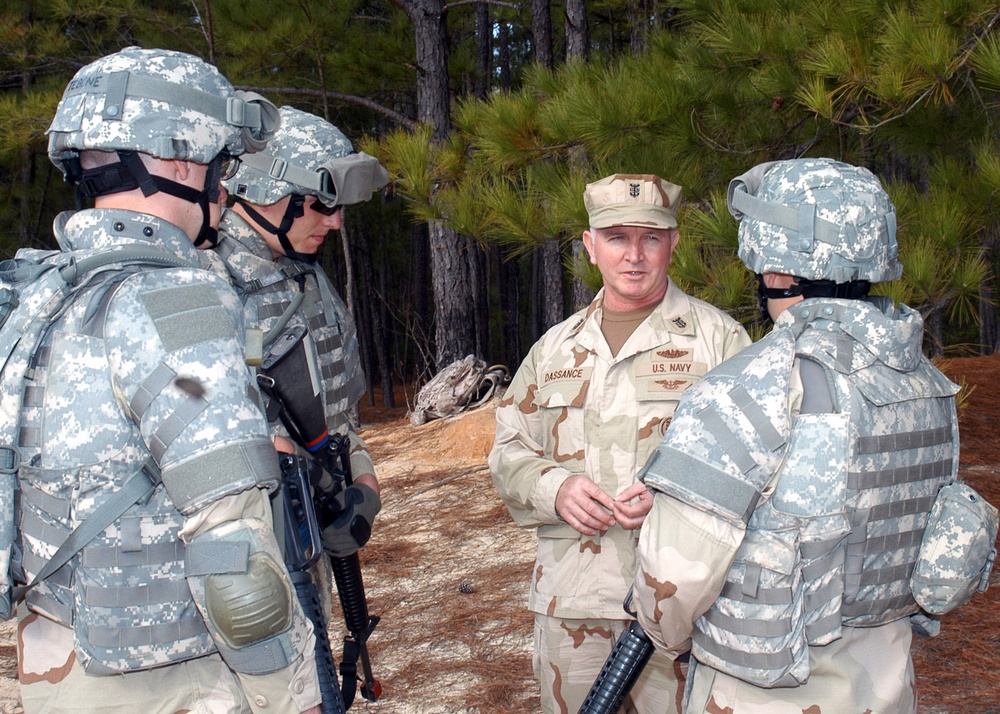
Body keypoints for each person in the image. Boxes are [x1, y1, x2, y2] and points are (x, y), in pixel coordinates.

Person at [14, 47, 325, 713]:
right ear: (183, 163)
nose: (223, 186)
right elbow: (232, 556)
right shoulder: (175, 304)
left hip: (52, 668)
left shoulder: (37, 297)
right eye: (222, 166)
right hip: (174, 682)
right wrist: (292, 697)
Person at [633, 158, 968, 713]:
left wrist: (666, 633)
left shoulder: (751, 386)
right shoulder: (926, 384)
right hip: (884, 688)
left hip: (766, 696)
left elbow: (673, 580)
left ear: (777, 273)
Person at [489, 173, 751, 713]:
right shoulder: (554, 348)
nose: (634, 255)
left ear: (673, 243)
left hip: (680, 605)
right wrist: (554, 488)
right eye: (616, 238)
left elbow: (757, 463)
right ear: (590, 246)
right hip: (572, 604)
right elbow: (508, 450)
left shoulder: (719, 341)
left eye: (650, 238)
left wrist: (677, 494)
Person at [216, 105, 388, 557]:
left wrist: (362, 483)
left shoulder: (303, 276)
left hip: (309, 538)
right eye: (321, 204)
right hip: (243, 550)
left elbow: (338, 417)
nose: (335, 222)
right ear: (265, 189)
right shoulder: (208, 284)